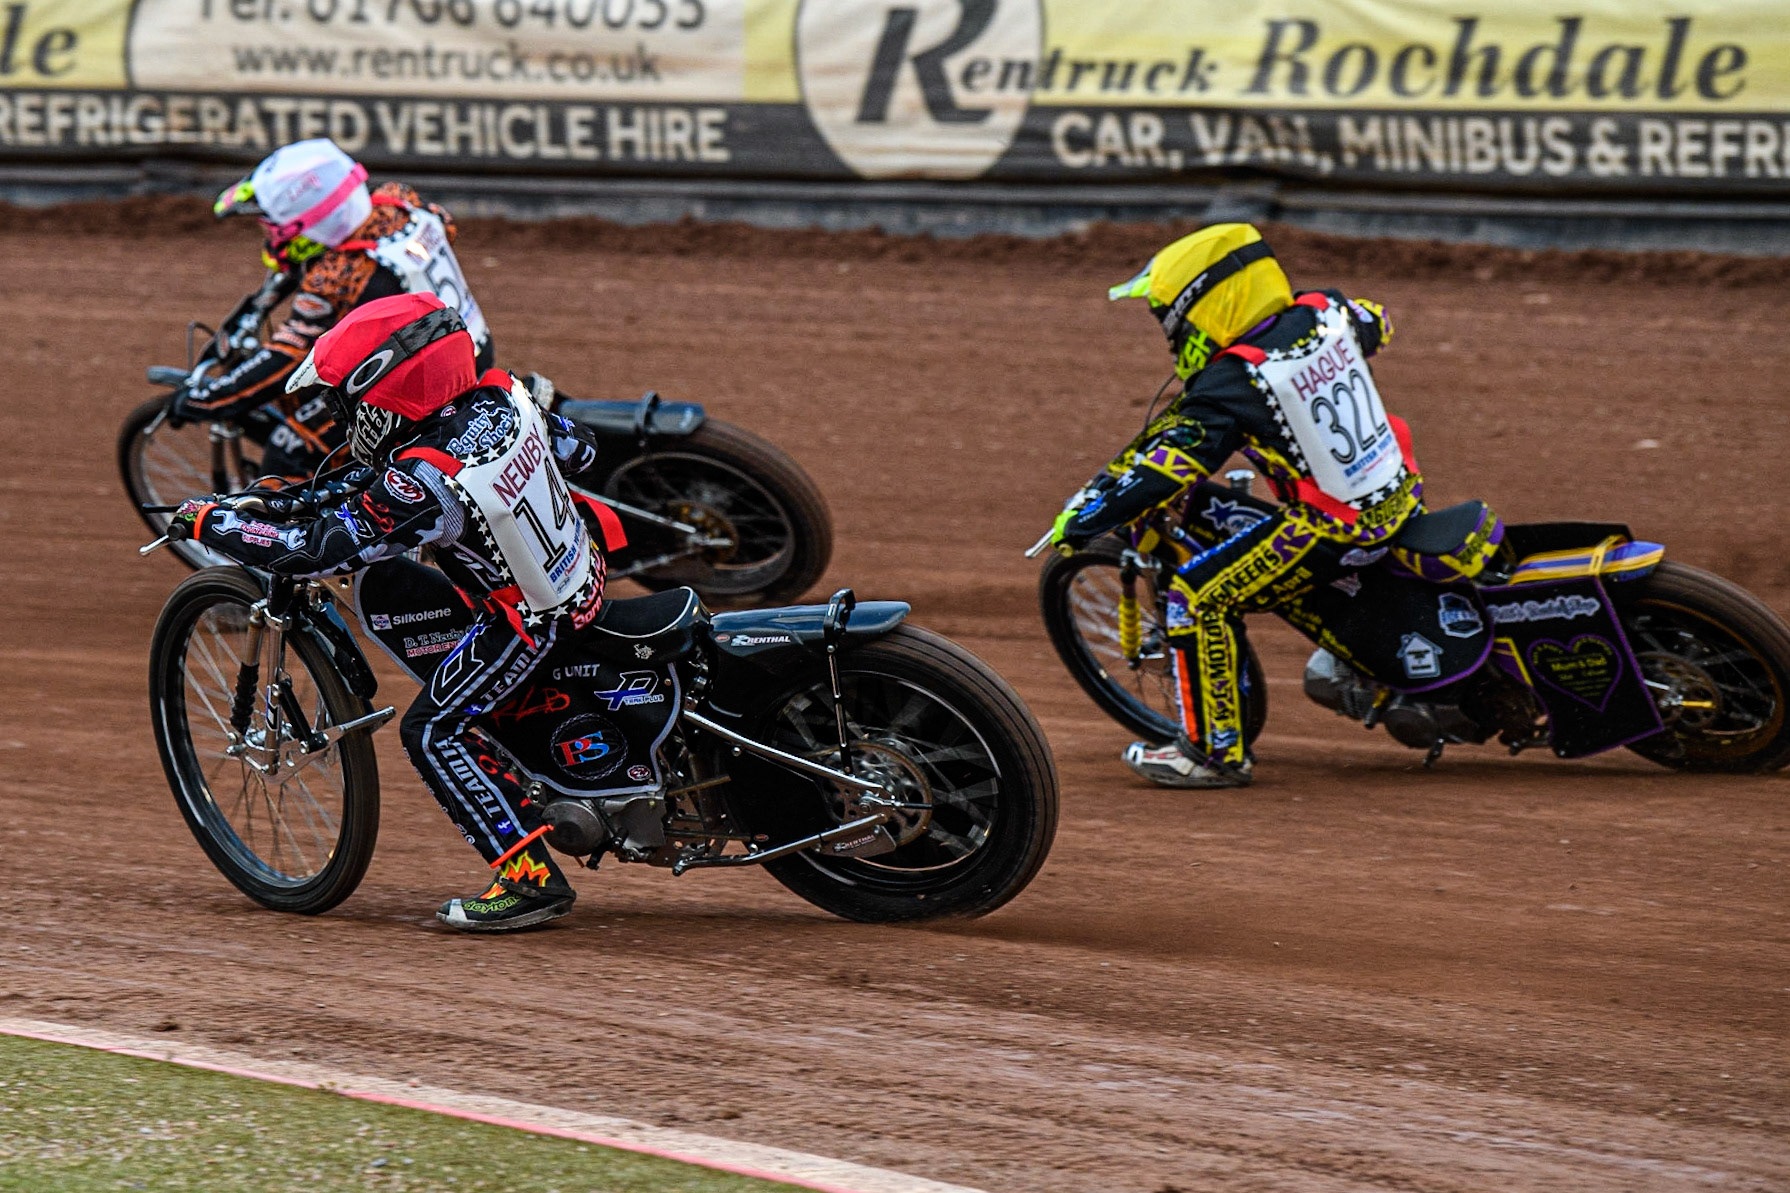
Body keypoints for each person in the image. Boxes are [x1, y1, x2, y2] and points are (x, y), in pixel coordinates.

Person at [168, 292, 608, 932]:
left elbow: (312, 553)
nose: (345, 416)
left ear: (386, 392)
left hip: (531, 620)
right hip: (583, 568)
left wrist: (215, 525)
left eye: (350, 401)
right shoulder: (502, 393)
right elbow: (580, 451)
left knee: (432, 730)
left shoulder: (426, 479)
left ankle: (527, 880)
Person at [1048, 222, 1486, 789]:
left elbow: (1167, 469)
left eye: (1167, 319)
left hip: (1338, 526)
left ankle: (1213, 755)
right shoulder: (1326, 309)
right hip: (1398, 489)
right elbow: (1376, 321)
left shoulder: (1235, 381)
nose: (1169, 334)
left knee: (1196, 598)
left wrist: (1084, 518)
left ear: (1203, 306)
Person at [175, 138, 495, 485]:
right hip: (472, 343)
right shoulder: (399, 201)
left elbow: (286, 355)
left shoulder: (337, 276)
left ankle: (310, 532)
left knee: (289, 450)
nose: (269, 235)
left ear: (309, 225)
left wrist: (211, 399)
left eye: (272, 226)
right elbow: (442, 227)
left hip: (429, 382)